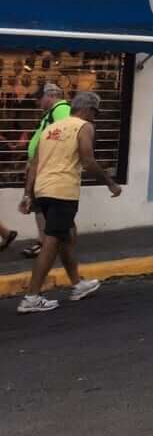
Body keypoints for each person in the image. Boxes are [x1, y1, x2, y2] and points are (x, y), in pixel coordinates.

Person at [17, 91, 121, 314]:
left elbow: (34, 164)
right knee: (52, 241)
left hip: (43, 189)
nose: (95, 117)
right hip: (63, 190)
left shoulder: (50, 129)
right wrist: (110, 183)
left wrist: (28, 194)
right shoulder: (84, 126)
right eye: (95, 112)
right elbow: (88, 160)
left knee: (67, 236)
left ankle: (77, 284)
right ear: (87, 109)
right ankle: (31, 297)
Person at [16, 83, 71, 259]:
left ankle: (49, 244)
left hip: (46, 167)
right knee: (39, 207)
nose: (38, 102)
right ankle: (45, 242)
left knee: (46, 207)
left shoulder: (60, 110)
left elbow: (64, 138)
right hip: (40, 166)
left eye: (40, 98)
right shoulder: (51, 113)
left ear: (51, 95)